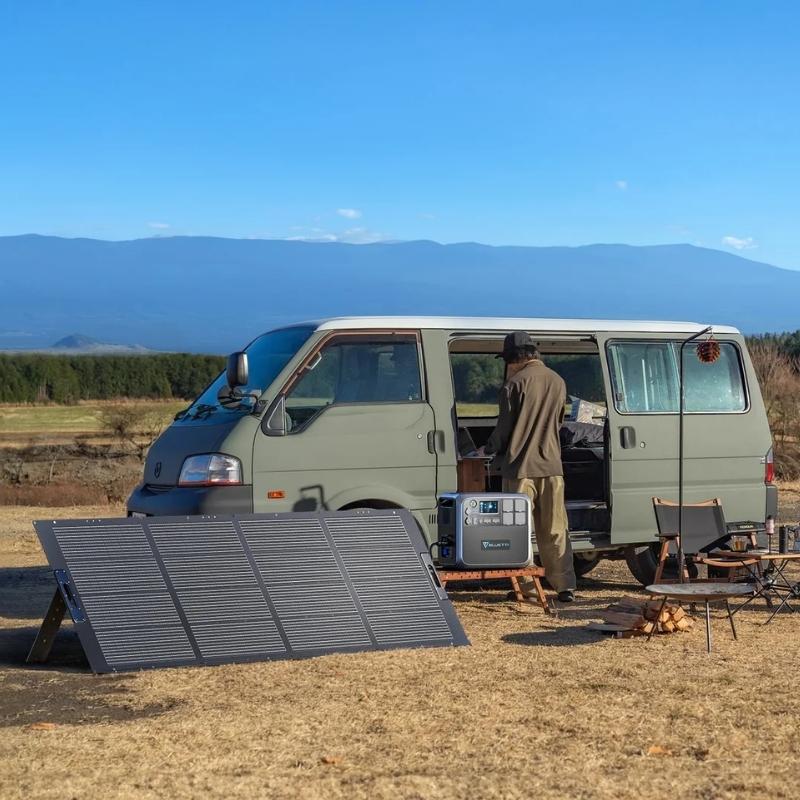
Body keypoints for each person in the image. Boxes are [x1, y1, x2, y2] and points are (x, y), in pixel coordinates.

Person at [478, 331, 577, 602]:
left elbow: (503, 429)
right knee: (556, 527)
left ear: (512, 359)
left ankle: (528, 589)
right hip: (552, 466)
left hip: (520, 468)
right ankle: (565, 585)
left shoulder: (513, 385)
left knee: (520, 531)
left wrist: (486, 448)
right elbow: (557, 423)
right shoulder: (558, 381)